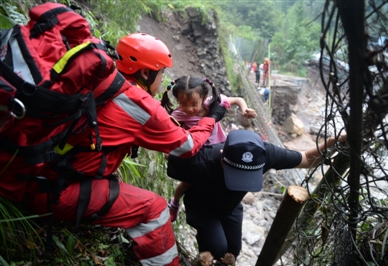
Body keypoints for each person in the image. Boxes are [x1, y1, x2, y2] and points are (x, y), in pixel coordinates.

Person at [25, 33, 227, 266]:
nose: (162, 79)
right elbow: (187, 147)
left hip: (36, 168)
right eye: (161, 72)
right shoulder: (139, 103)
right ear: (145, 72)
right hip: (52, 189)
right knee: (156, 209)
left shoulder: (107, 79)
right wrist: (210, 118)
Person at [166, 130, 346, 263]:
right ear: (222, 155)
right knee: (217, 248)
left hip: (230, 205)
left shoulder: (266, 154)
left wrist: (332, 142)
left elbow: (306, 158)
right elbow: (169, 153)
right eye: (234, 174)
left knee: (233, 251)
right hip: (202, 206)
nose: (239, 181)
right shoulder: (201, 160)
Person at [160, 76, 257, 222]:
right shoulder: (178, 114)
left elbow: (237, 99)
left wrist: (245, 110)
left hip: (219, 145)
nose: (189, 108)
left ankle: (227, 202)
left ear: (204, 97)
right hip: (199, 152)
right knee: (188, 182)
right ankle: (174, 202)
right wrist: (170, 153)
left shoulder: (211, 104)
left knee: (226, 171)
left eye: (194, 103)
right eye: (183, 103)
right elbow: (169, 135)